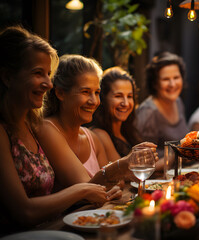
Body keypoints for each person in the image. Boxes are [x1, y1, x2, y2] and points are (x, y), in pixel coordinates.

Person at [0, 26, 112, 229]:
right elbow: (24, 211)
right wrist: (83, 191)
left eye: (48, 74)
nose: (48, 84)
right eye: (38, 73)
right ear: (8, 77)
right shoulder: (8, 131)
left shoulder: (30, 125)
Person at [38, 55, 147, 192]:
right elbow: (87, 190)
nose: (94, 101)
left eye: (97, 93)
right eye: (85, 92)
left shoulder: (91, 138)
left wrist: (115, 175)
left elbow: (117, 184)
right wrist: (122, 165)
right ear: (60, 93)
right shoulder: (48, 129)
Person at [135, 52, 189, 171]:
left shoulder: (178, 102)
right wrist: (178, 154)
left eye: (176, 77)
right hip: (155, 181)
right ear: (154, 83)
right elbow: (141, 164)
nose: (172, 84)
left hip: (179, 174)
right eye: (165, 79)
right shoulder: (148, 112)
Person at [89, 66, 145, 162]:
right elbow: (123, 173)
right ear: (103, 99)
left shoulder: (127, 131)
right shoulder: (99, 134)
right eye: (118, 96)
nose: (126, 103)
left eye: (129, 96)